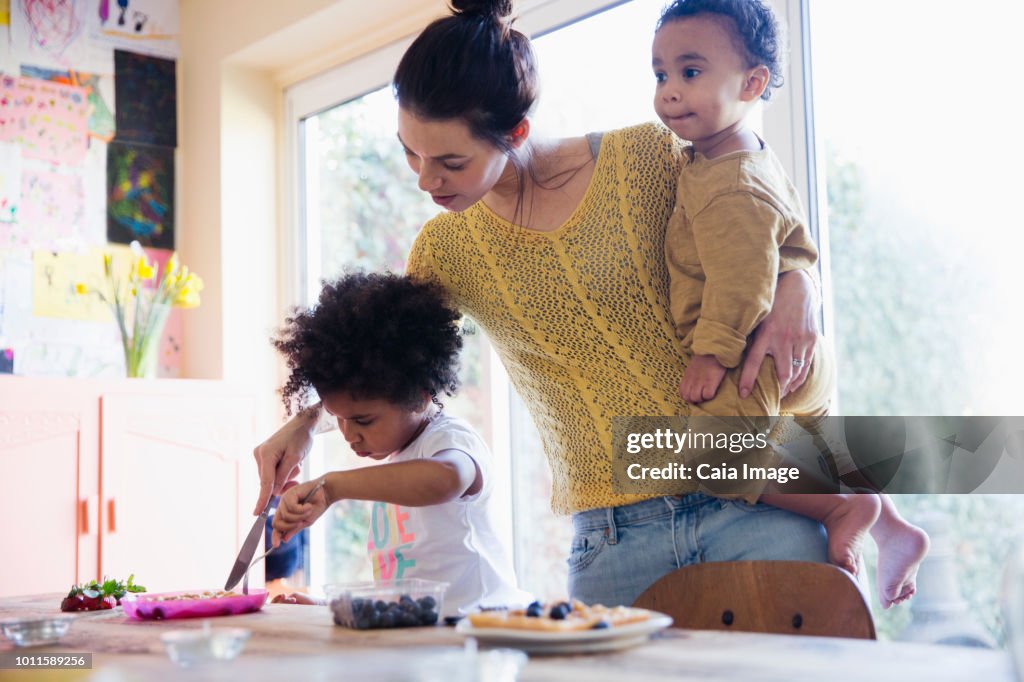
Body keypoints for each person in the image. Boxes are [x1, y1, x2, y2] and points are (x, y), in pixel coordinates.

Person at [254, 0, 831, 608]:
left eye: (451, 161)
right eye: (411, 153)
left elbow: (754, 212)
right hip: (613, 540)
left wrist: (803, 283)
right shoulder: (445, 249)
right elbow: (381, 366)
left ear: (516, 132)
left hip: (758, 497)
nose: (427, 180)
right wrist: (305, 422)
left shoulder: (645, 158)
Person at [652, 0, 927, 608]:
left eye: (690, 73)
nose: (670, 92)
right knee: (810, 446)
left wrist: (712, 354)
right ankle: (895, 531)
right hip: (796, 352)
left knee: (712, 462)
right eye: (661, 74)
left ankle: (840, 507)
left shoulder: (730, 184)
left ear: (752, 83)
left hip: (754, 351)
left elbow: (743, 283)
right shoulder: (736, 152)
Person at [267, 271, 531, 616]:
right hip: (426, 634)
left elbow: (447, 479)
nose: (348, 434)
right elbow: (408, 583)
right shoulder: (397, 461)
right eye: (339, 418)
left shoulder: (448, 439)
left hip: (481, 627)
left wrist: (332, 487)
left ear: (419, 398)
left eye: (363, 420)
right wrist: (334, 604)